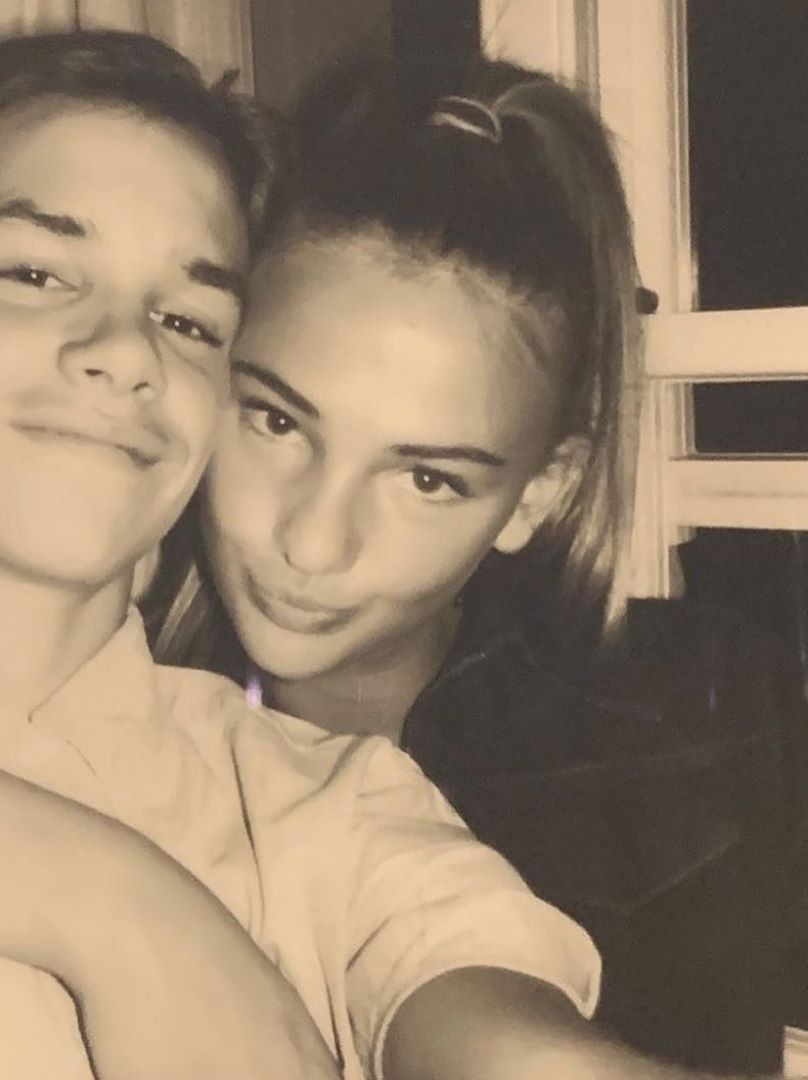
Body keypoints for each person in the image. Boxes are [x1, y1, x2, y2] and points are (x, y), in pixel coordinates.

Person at [0, 31, 794, 1080]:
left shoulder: (341, 812)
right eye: (39, 271)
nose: (124, 350)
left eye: (188, 320)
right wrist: (131, 917)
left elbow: (498, 1024)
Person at [143, 55, 804, 1074]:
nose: (314, 543)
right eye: (277, 421)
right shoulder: (94, 701)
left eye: (427, 479)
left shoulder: (703, 718)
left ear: (535, 494)